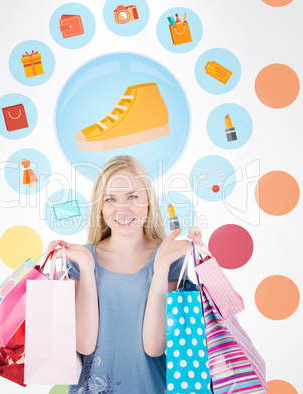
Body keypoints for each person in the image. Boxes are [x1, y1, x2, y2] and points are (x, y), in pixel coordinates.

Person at [47, 155, 197, 394]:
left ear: (149, 201)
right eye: (111, 199)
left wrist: (161, 267)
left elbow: (154, 347)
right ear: (101, 206)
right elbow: (84, 345)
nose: (122, 209)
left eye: (133, 197)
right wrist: (86, 266)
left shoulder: (169, 259)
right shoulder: (78, 260)